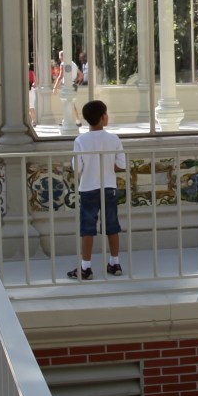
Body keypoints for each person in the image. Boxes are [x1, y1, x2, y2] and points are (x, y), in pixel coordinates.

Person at [68, 99, 126, 279]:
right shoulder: (113, 139)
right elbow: (121, 165)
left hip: (88, 187)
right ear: (102, 118)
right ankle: (115, 263)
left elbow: (76, 167)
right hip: (108, 186)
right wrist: (107, 167)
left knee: (87, 227)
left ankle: (86, 267)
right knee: (112, 225)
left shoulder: (81, 140)